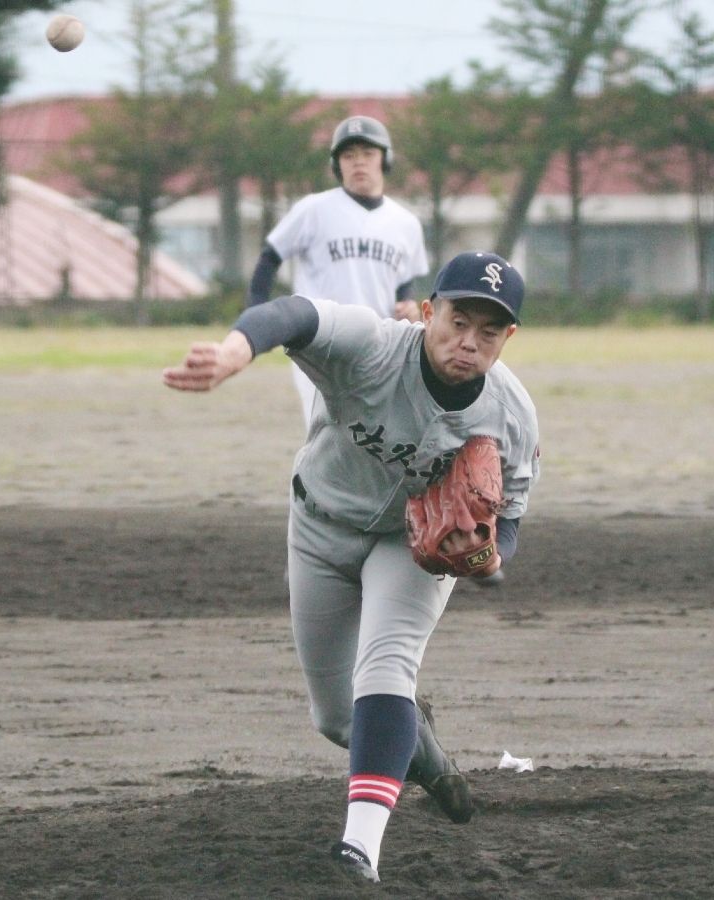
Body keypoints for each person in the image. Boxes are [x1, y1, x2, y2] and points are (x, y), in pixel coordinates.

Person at [164, 250, 540, 884]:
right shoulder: (372, 347)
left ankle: (359, 850)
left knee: (387, 667)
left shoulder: (511, 414)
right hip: (319, 527)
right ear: (428, 312)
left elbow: (513, 516)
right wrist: (236, 350)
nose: (468, 342)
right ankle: (424, 756)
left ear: (509, 338)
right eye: (457, 321)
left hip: (410, 548)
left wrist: (489, 552)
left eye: (490, 330)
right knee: (338, 717)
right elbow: (294, 313)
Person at [247, 114, 430, 430]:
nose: (359, 162)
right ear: (337, 164)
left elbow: (404, 283)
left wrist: (408, 306)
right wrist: (256, 314)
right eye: (349, 155)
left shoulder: (406, 223)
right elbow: (270, 257)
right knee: (325, 431)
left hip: (380, 344)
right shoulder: (314, 209)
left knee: (376, 433)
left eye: (368, 153)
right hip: (319, 341)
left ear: (385, 159)